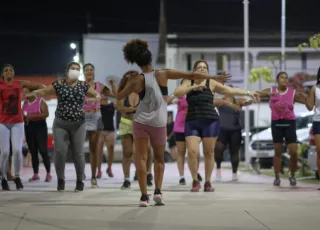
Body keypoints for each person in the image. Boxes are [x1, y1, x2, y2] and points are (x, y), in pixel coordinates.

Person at [117, 39, 246, 206]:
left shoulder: (135, 80)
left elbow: (118, 96)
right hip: (158, 123)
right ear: (150, 58)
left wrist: (123, 81)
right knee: (159, 159)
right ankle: (157, 192)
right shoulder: (163, 73)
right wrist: (213, 77)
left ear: (136, 62)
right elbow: (191, 75)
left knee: (140, 159)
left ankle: (143, 196)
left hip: (140, 120)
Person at [174, 60, 259, 192]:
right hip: (192, 121)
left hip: (210, 121)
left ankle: (207, 182)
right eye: (199, 67)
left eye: (204, 68)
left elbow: (230, 90)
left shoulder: (211, 83)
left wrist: (248, 92)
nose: (202, 69)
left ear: (207, 71)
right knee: (192, 152)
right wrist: (193, 88)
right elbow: (177, 92)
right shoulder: (187, 81)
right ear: (194, 70)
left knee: (209, 152)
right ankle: (195, 180)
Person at [27, 62, 100, 192]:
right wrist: (35, 93)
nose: (75, 71)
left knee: (78, 153)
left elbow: (95, 94)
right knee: (60, 152)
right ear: (67, 71)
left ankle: (79, 181)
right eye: (73, 69)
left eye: (78, 69)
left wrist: (96, 97)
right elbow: (44, 90)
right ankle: (61, 179)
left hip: (79, 124)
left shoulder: (83, 85)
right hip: (61, 124)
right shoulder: (59, 84)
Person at [0, 64, 46, 190]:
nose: (9, 72)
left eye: (11, 70)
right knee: (4, 152)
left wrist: (36, 94)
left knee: (17, 150)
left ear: (14, 73)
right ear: (3, 74)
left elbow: (40, 86)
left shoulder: (19, 84)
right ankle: (3, 178)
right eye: (6, 71)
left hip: (17, 122)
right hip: (2, 122)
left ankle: (17, 176)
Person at [258, 71, 307, 186]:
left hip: (289, 123)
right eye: (282, 78)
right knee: (278, 152)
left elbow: (307, 101)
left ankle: (292, 175)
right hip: (277, 124)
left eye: (286, 78)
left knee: (294, 152)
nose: (285, 80)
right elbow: (257, 93)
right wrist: (255, 97)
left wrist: (306, 97)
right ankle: (277, 177)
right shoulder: (272, 91)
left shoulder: (292, 93)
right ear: (277, 80)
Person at [82, 63, 115, 188]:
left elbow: (115, 94)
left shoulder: (99, 86)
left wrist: (114, 85)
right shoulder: (80, 85)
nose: (89, 71)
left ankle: (93, 177)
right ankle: (81, 173)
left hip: (96, 116)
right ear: (84, 72)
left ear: (94, 71)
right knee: (77, 148)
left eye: (91, 69)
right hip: (82, 116)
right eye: (87, 70)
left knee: (93, 148)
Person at [214, 85, 253, 181]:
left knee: (234, 152)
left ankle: (234, 173)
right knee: (218, 149)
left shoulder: (238, 100)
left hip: (235, 130)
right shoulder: (220, 101)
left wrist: (251, 100)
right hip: (222, 130)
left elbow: (247, 101)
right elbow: (212, 102)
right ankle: (218, 167)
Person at [167, 93, 203, 185]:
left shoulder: (196, 95)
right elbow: (168, 102)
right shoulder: (180, 97)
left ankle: (196, 172)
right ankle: (181, 177)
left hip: (193, 126)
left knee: (195, 152)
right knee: (181, 152)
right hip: (180, 127)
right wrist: (175, 94)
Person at [22, 87, 52, 182]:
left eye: (26, 92)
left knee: (43, 150)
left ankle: (48, 173)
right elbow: (23, 115)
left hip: (40, 127)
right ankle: (35, 174)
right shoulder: (25, 103)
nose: (24, 94)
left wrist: (32, 116)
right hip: (29, 127)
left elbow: (46, 114)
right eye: (23, 92)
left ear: (32, 92)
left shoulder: (40, 101)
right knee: (33, 151)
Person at [304, 67, 320, 190]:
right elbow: (310, 107)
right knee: (319, 153)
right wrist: (305, 99)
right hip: (318, 121)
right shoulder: (315, 89)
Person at [97, 89, 116, 179]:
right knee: (99, 152)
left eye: (106, 93)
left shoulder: (112, 104)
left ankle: (109, 168)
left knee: (110, 150)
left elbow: (118, 98)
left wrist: (110, 95)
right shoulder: (98, 104)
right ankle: (99, 170)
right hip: (100, 131)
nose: (104, 95)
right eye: (103, 93)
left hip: (110, 130)